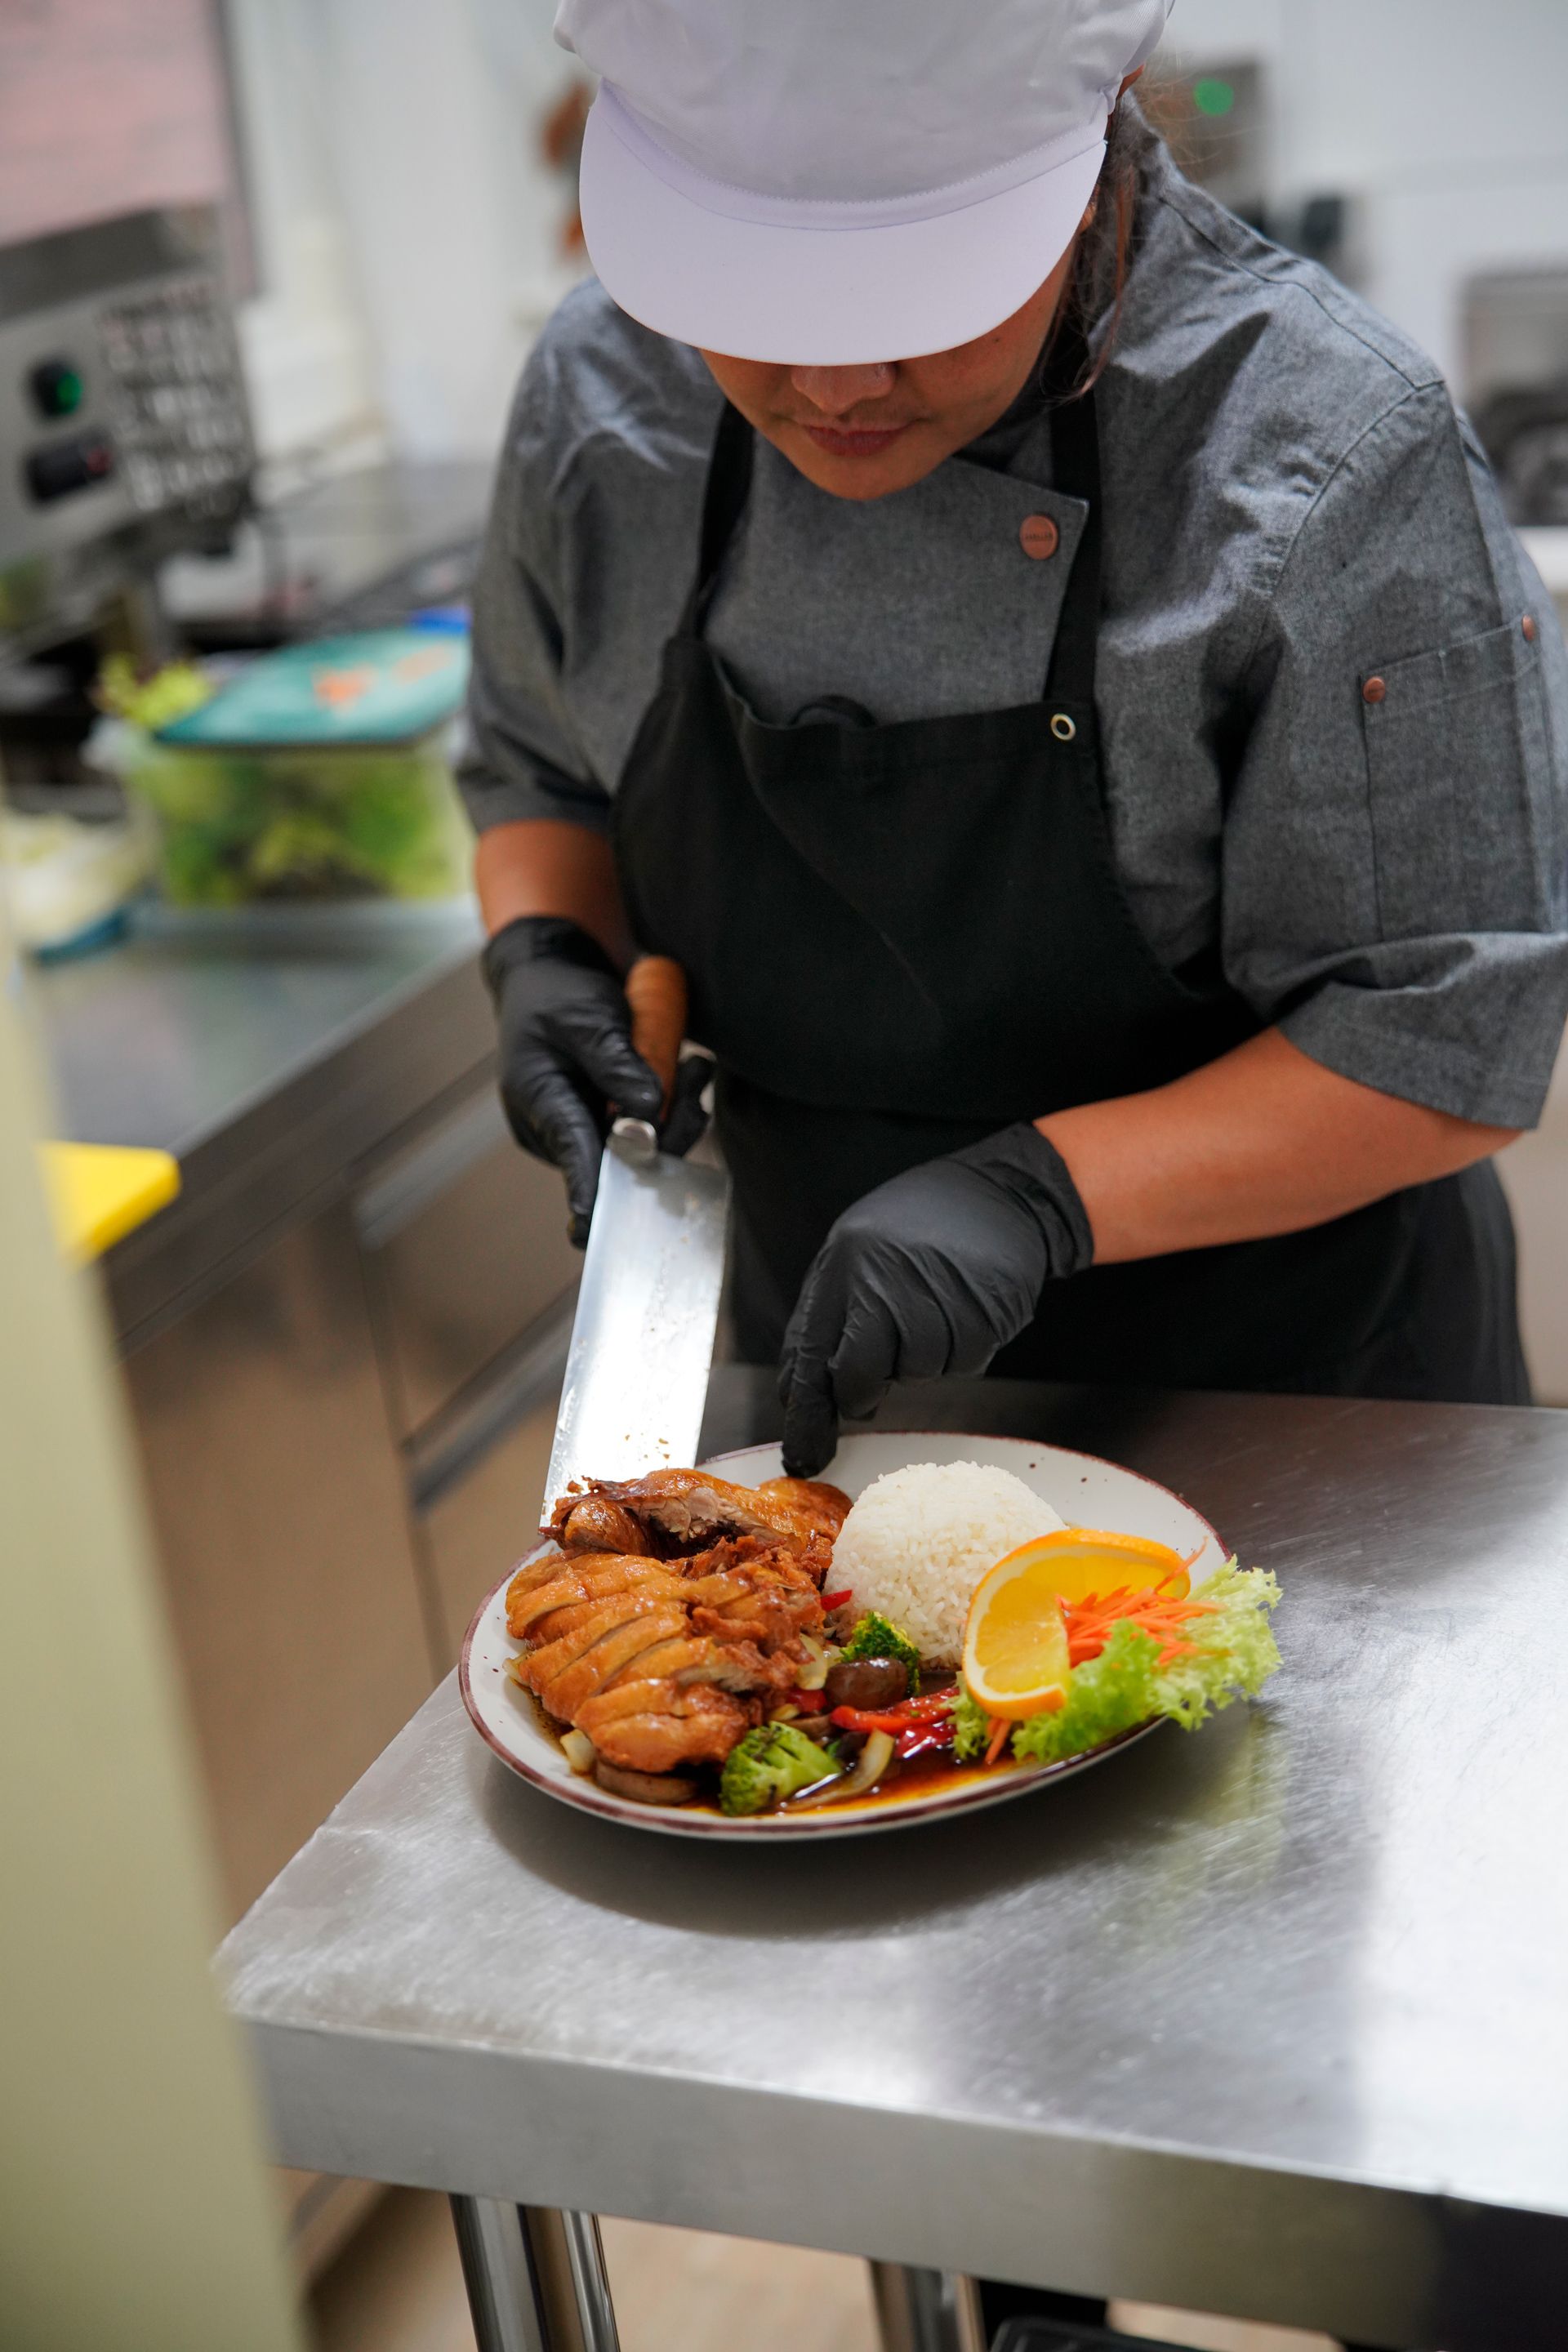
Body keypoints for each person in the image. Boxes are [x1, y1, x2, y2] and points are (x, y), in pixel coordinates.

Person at [461, 6, 1567, 2341]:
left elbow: (1446, 1041)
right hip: (855, 1392)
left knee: (1396, 2118)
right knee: (972, 2052)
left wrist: (1040, 1195)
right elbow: (535, 765)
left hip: (1306, 1385)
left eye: (906, 305)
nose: (824, 381)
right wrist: (551, 954)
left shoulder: (1320, 444)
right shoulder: (607, 396)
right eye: (749, 306)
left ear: (1082, 173)